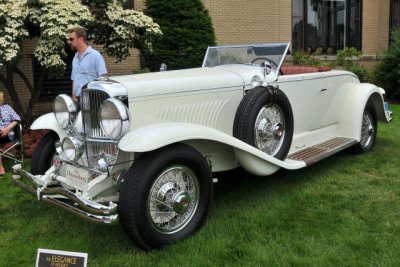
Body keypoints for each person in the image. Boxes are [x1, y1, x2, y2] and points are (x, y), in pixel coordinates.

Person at [68, 27, 108, 103]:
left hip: (92, 100)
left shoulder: (95, 55)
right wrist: (73, 96)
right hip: (78, 99)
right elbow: (74, 78)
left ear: (80, 39)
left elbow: (104, 78)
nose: (69, 42)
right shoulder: (75, 57)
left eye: (71, 39)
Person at [0, 91, 21, 176]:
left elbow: (17, 119)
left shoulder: (7, 107)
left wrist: (7, 128)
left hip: (9, 133)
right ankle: (1, 167)